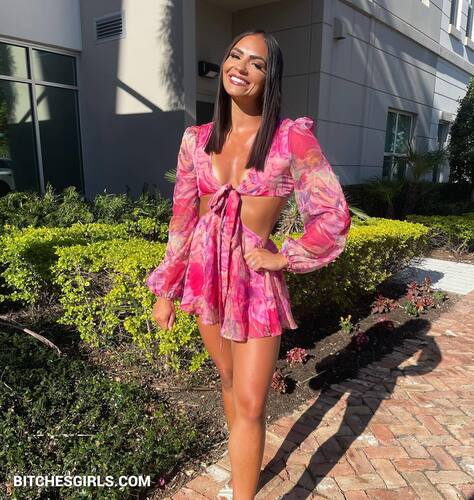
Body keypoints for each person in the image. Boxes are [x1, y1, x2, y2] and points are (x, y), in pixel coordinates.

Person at [146, 29, 351, 500]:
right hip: (205, 278)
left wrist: (285, 256)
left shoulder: (290, 138)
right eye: (235, 56)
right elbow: (182, 219)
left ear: (269, 77)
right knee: (228, 380)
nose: (240, 67)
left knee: (252, 401)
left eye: (256, 63)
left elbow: (332, 212)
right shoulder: (196, 140)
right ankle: (242, 465)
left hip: (255, 284)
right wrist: (166, 290)